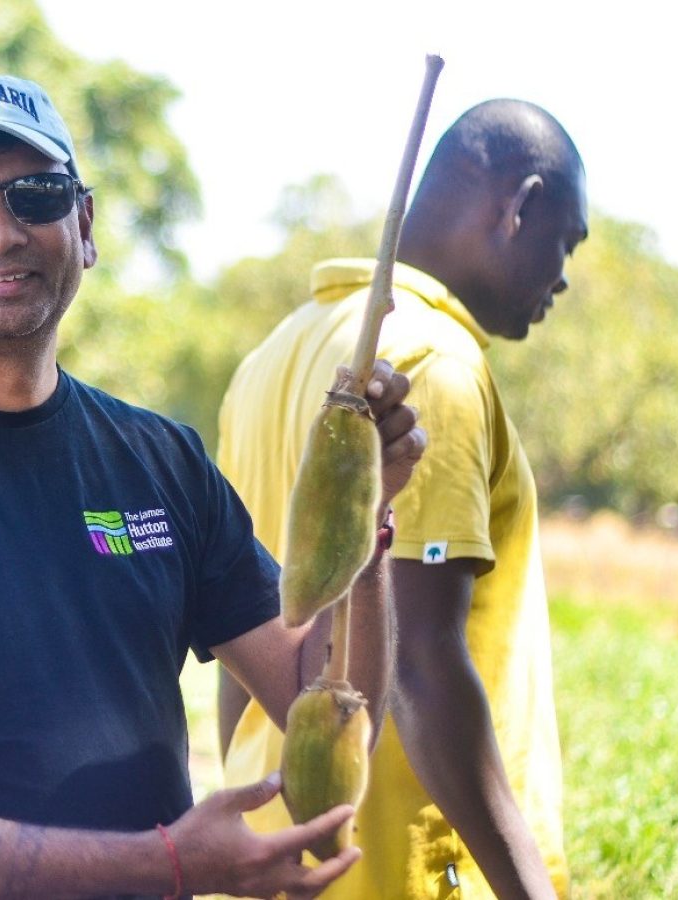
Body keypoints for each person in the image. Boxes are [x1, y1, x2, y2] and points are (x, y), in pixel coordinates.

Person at [0, 69, 426, 899]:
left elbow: (319, 695)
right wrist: (169, 864)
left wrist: (369, 509)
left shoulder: (163, 461)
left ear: (85, 224)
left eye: (35, 195)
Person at [216, 99, 588, 899]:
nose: (563, 275)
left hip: (272, 856)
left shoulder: (269, 358)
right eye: (567, 241)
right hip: (393, 870)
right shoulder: (435, 366)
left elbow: (234, 636)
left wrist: (250, 818)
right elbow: (421, 666)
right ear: (518, 207)